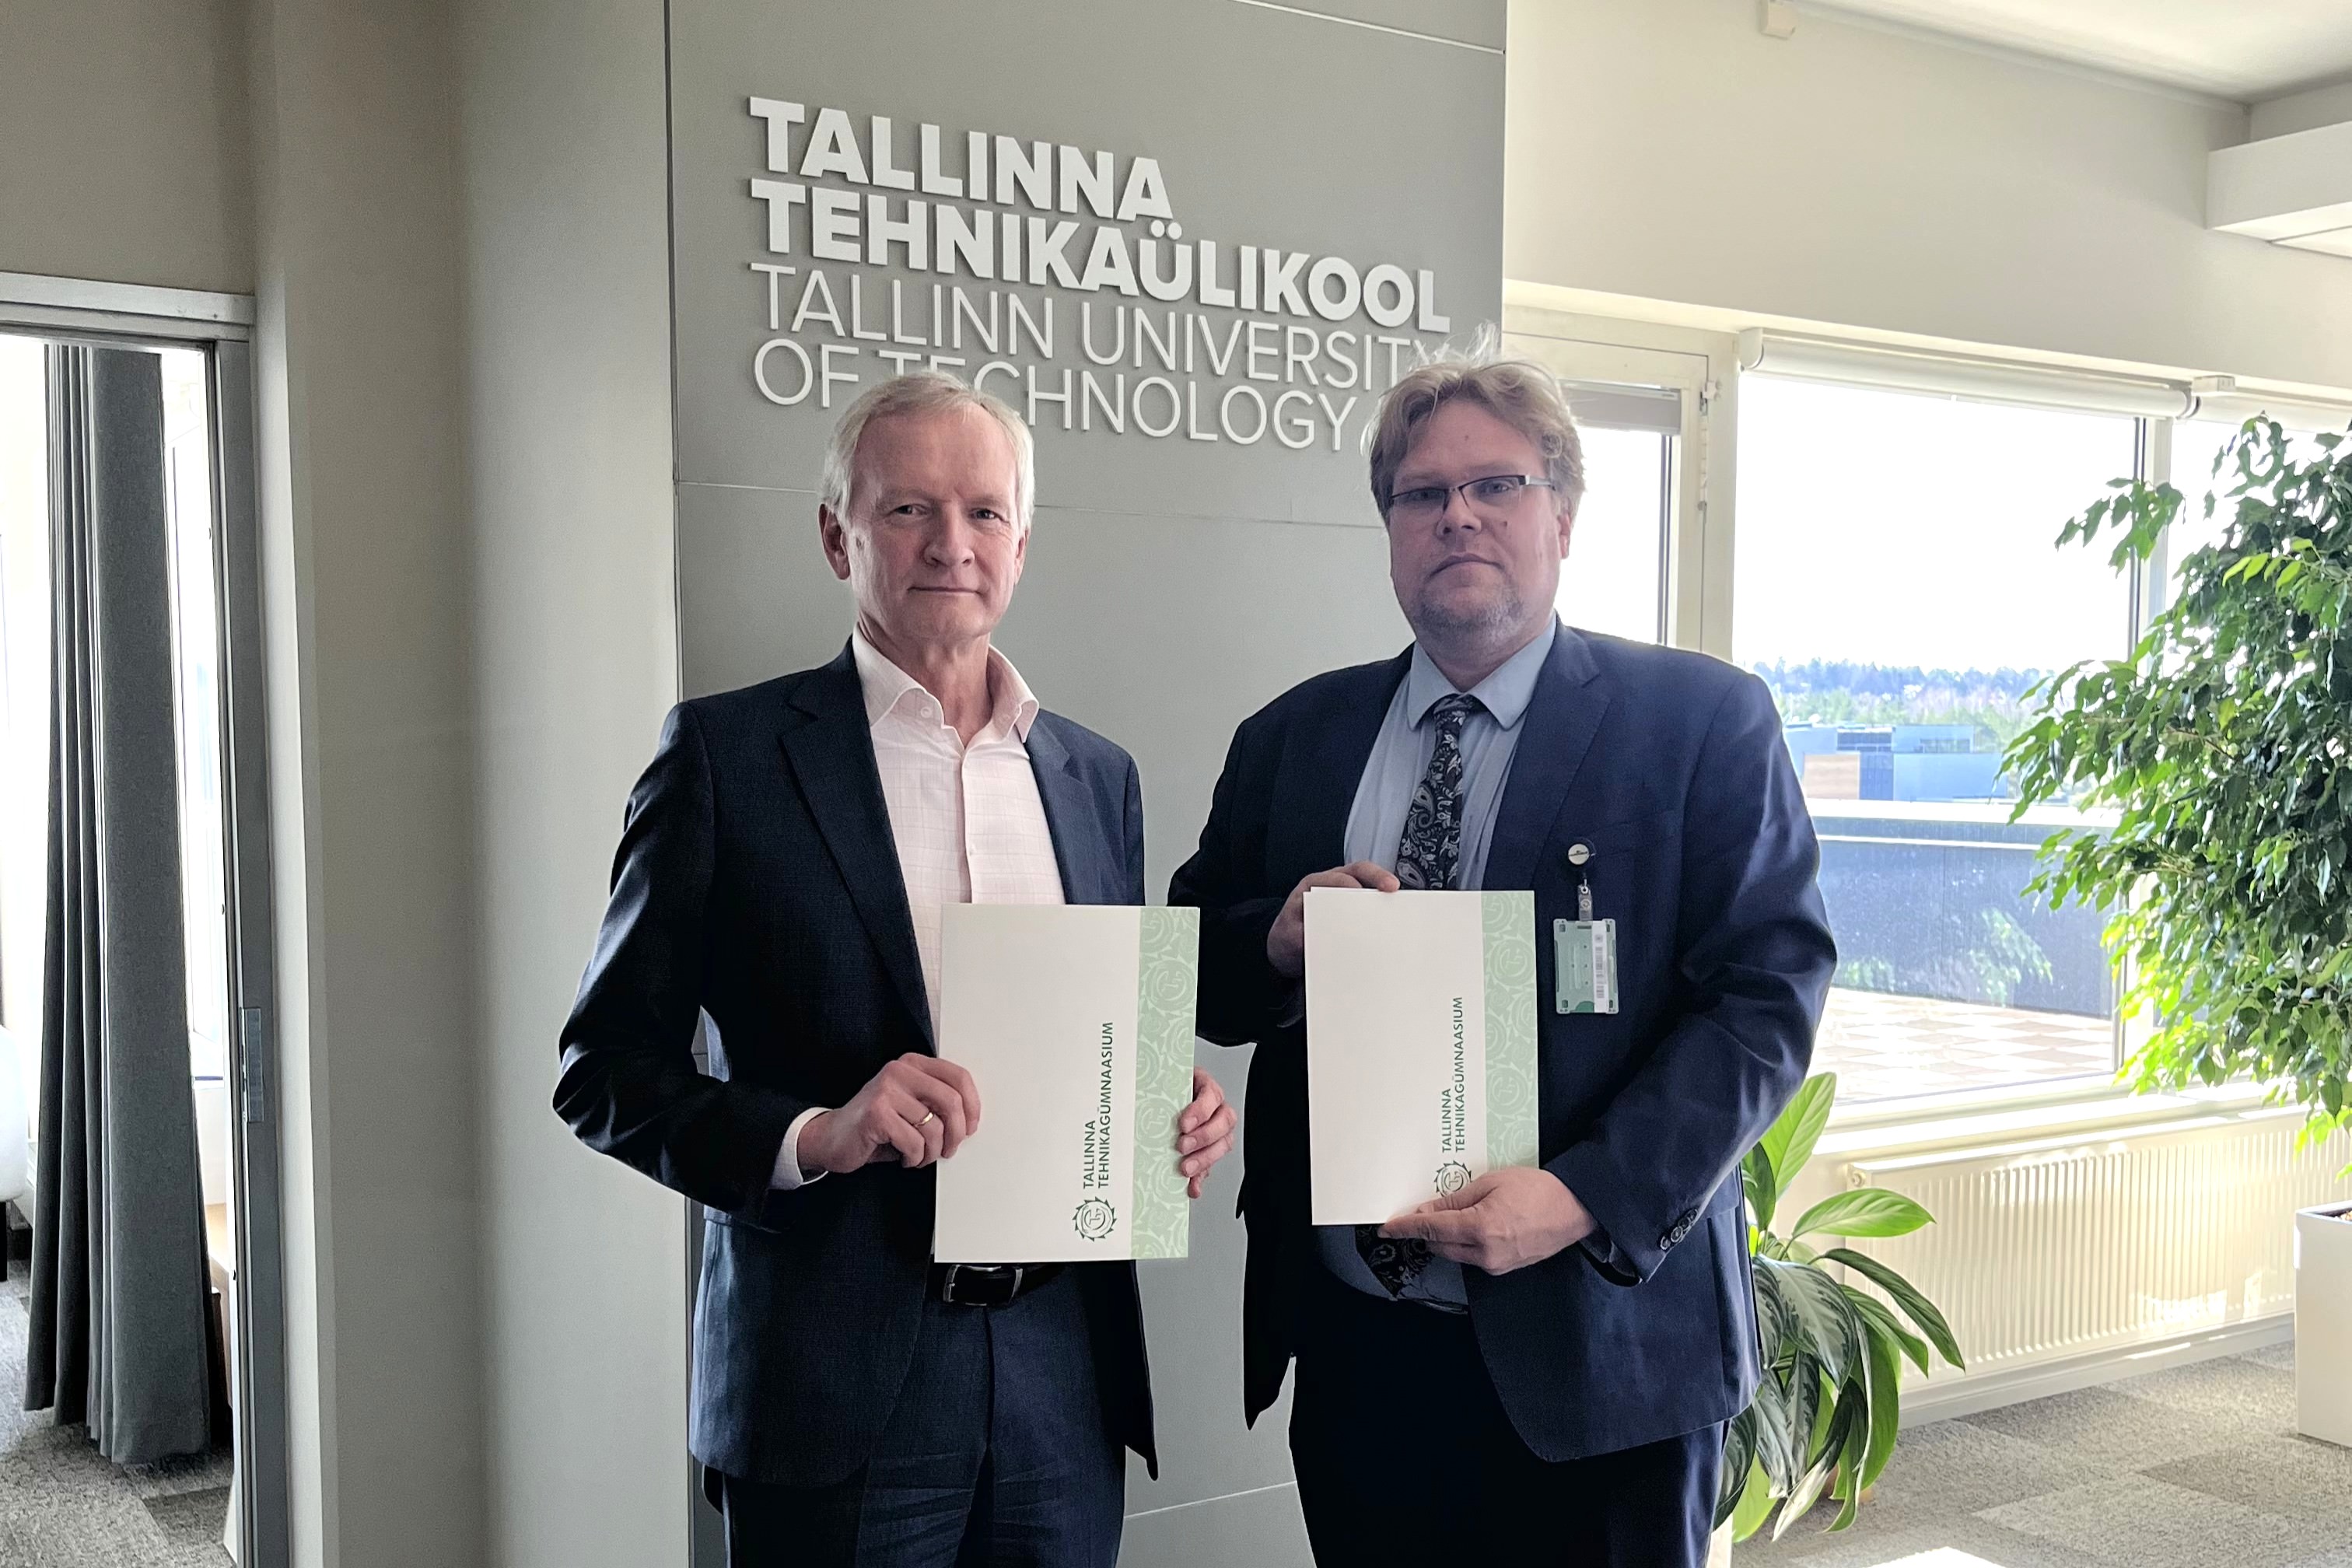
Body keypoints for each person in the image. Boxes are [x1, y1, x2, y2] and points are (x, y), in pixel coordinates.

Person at [556, 371, 1238, 1567]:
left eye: (984, 512)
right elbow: (603, 1072)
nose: (951, 543)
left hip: (1063, 1374)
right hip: (831, 1381)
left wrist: (1164, 1107)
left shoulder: (1098, 777)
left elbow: (1099, 1037)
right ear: (839, 536)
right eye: (908, 509)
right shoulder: (726, 758)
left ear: (1021, 544)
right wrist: (815, 1135)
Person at [1169, 345, 1835, 1565]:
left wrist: (1584, 1198)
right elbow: (1192, 974)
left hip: (1602, 1358)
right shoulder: (1295, 736)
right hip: (1363, 1358)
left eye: (1498, 485)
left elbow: (1766, 998)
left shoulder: (1698, 723)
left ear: (1563, 516)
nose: (1459, 516)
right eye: (1423, 493)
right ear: (1389, 527)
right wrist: (1273, 937)